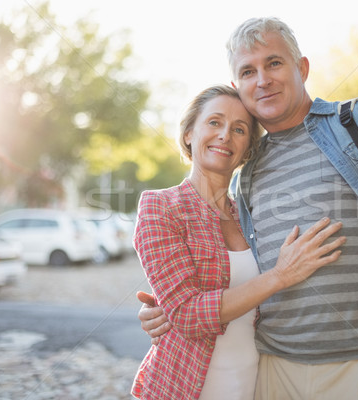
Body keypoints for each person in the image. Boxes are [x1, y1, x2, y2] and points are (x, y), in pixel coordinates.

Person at [138, 18, 358, 399]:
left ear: (302, 68)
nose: (262, 79)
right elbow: (238, 281)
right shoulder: (246, 172)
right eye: (248, 71)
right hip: (271, 374)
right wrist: (173, 310)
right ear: (238, 86)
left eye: (274, 63)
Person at [130, 84, 346, 400]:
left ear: (248, 148)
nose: (225, 135)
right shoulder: (160, 206)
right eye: (214, 122)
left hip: (253, 383)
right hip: (185, 387)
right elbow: (188, 315)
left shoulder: (251, 214)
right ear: (190, 132)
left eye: (239, 129)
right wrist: (281, 275)